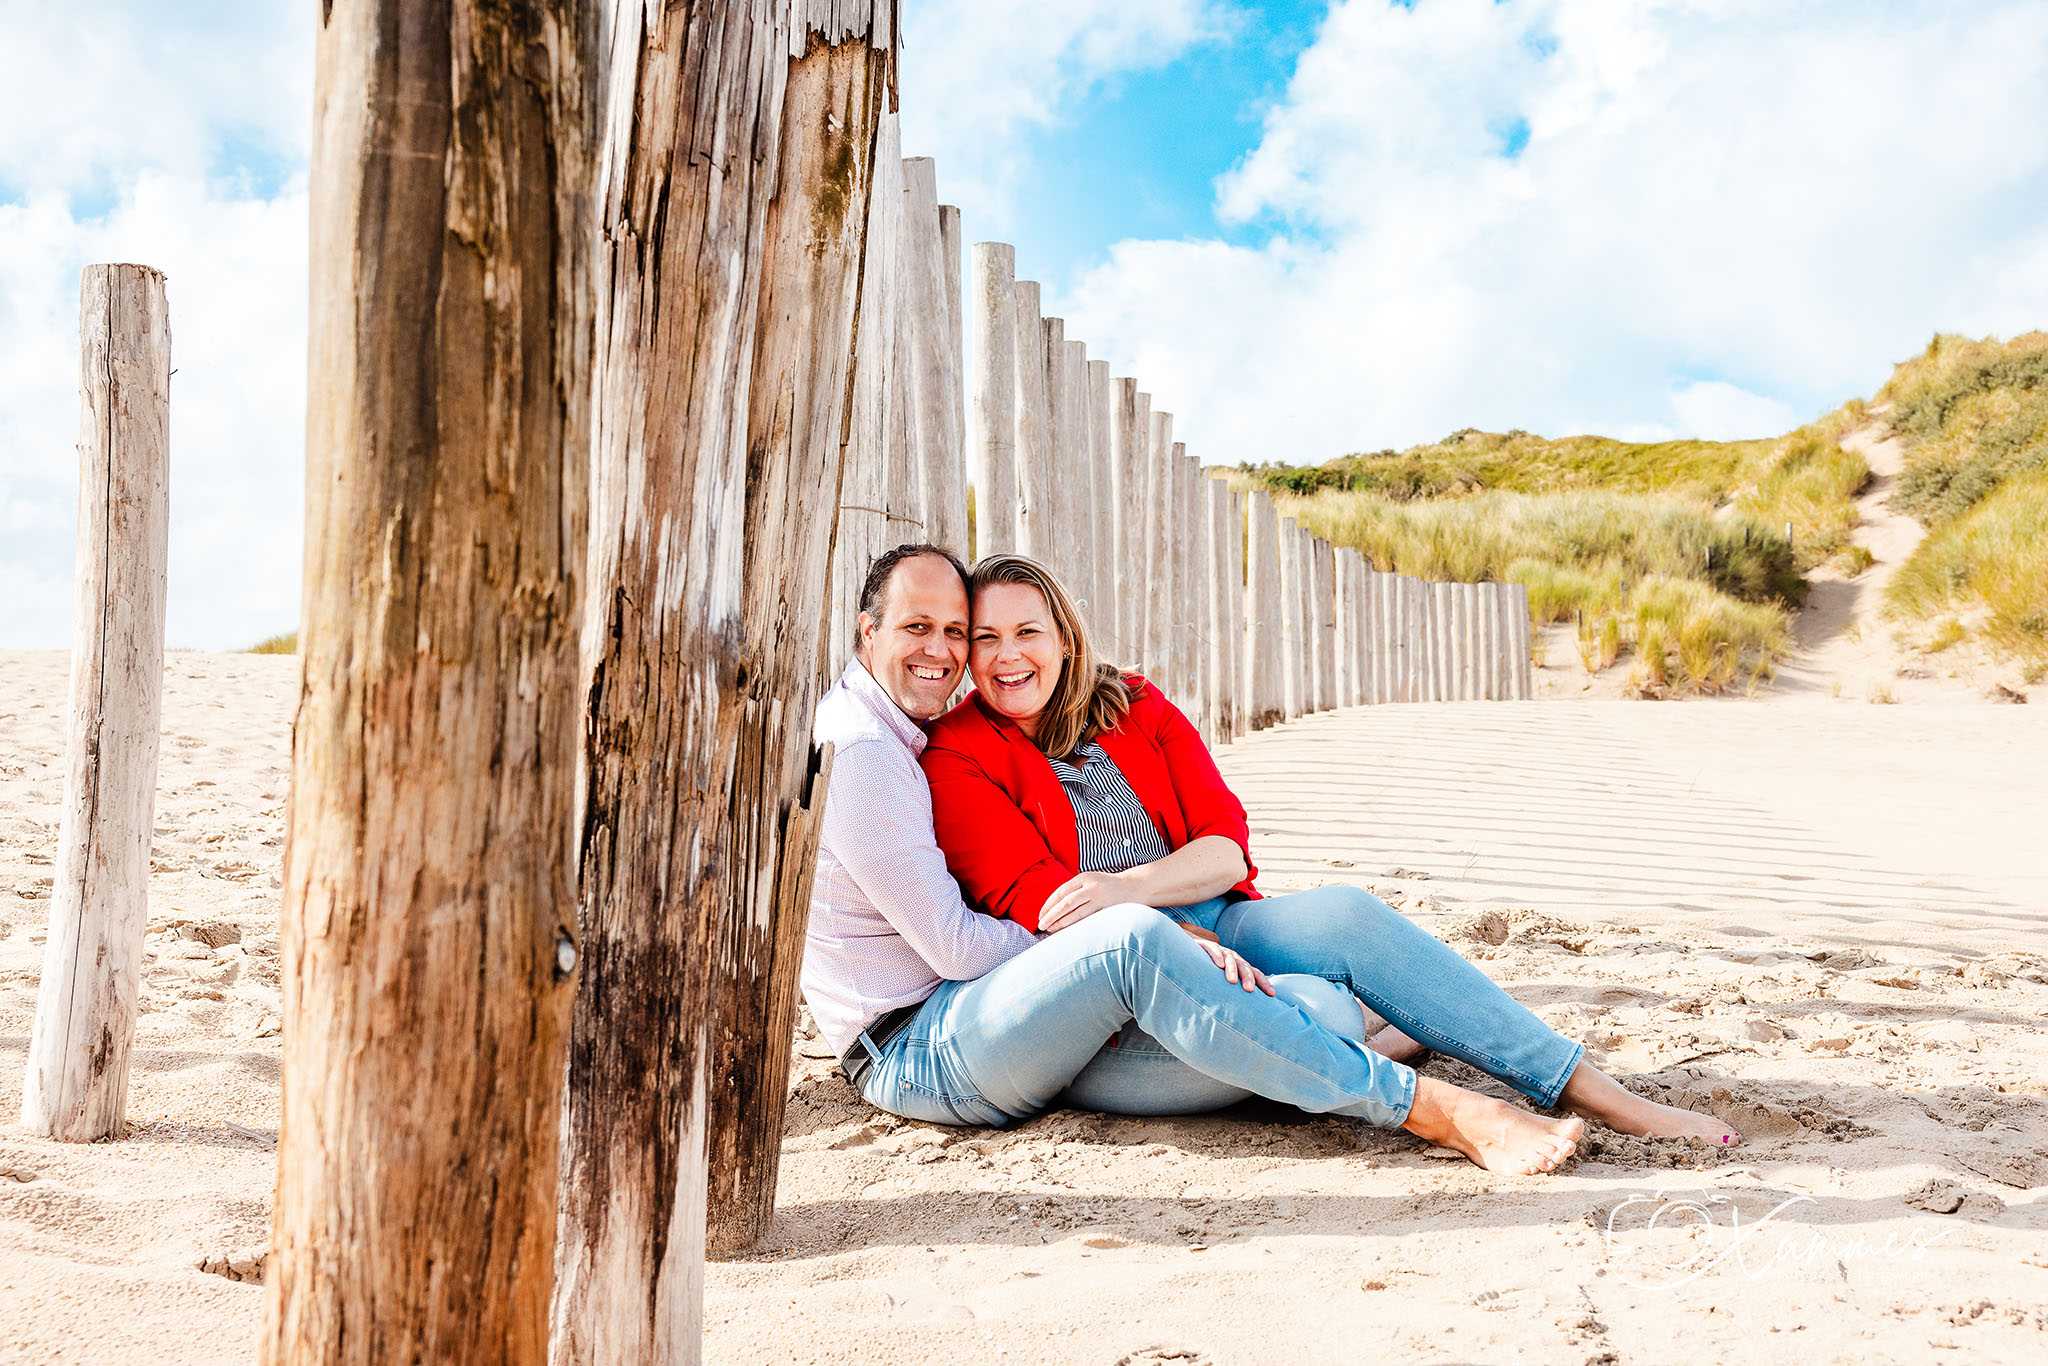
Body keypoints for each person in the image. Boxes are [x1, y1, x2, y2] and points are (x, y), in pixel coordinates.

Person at [801, 543, 1594, 1175]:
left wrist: (1154, 926)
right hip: (916, 1044)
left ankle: (1566, 1076)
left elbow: (1223, 841)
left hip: (996, 1011)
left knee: (1325, 947)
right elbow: (962, 944)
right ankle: (1438, 1107)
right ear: (866, 632)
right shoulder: (876, 750)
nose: (942, 650)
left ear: (1063, 637)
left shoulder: (909, 734)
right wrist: (1159, 940)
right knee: (1228, 978)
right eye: (920, 628)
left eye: (952, 629)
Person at [917, 552, 1742, 1149]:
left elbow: (1226, 853)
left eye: (1027, 631)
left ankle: (1589, 1087)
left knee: (1344, 912)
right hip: (1115, 1006)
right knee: (1316, 1010)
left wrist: (1133, 886)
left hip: (1217, 920)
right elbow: (1049, 907)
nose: (1006, 657)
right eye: (984, 639)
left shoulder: (1136, 703)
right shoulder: (957, 753)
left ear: (1065, 636)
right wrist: (1176, 938)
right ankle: (1391, 1037)